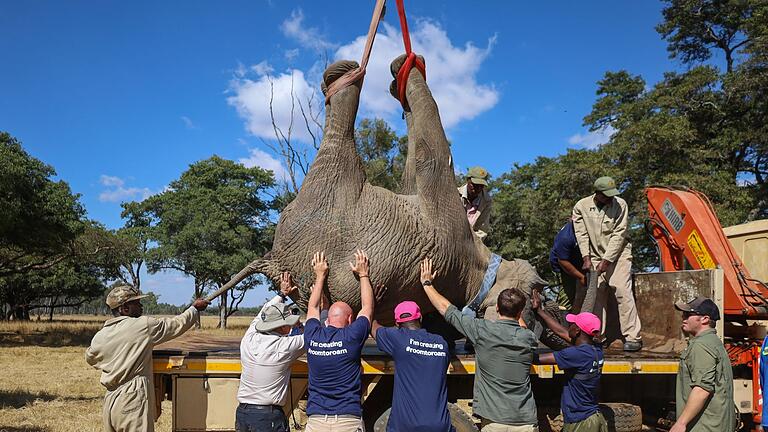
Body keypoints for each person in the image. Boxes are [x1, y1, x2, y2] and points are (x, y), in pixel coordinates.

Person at [420, 258, 538, 431]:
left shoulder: (482, 331)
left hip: (493, 421)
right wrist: (516, 307)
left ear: (496, 308)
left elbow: (447, 309)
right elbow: (522, 327)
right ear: (520, 312)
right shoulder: (528, 338)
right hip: (525, 420)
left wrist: (427, 283)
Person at [86, 284, 209, 432]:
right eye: (136, 303)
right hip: (132, 397)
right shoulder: (142, 326)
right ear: (125, 308)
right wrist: (194, 309)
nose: (141, 306)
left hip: (111, 399)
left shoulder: (100, 336)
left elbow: (90, 357)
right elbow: (176, 325)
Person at [303, 250, 374, 432]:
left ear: (327, 320)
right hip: (348, 421)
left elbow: (312, 307)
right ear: (350, 320)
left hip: (316, 420)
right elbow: (367, 306)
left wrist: (320, 276)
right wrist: (364, 274)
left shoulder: (313, 336)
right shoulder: (352, 337)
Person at [572, 176, 642, 352]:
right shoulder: (581, 206)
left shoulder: (620, 204)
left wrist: (607, 260)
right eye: (606, 195)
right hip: (594, 255)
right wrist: (586, 258)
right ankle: (597, 336)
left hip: (619, 255)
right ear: (597, 193)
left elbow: (619, 234)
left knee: (621, 290)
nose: (611, 198)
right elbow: (581, 234)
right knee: (597, 293)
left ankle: (633, 336)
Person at [236, 272, 305, 432]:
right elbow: (314, 334)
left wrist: (281, 294)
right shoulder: (284, 347)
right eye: (289, 323)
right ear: (281, 327)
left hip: (243, 413)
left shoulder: (249, 338)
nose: (292, 325)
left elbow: (262, 314)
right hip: (268, 417)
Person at [371, 300, 454, 432]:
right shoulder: (441, 343)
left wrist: (375, 306)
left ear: (397, 324)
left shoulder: (398, 339)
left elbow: (372, 326)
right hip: (439, 425)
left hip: (404, 426)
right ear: (420, 317)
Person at [531, 291, 608, 432]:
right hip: (593, 417)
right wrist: (540, 311)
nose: (568, 325)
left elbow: (536, 359)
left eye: (572, 324)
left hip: (581, 423)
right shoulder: (596, 349)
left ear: (577, 330)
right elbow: (561, 332)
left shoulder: (575, 354)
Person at [671, 297, 735, 432]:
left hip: (705, 427)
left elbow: (702, 389)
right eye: (683, 314)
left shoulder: (702, 345)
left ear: (705, 319)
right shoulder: (713, 342)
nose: (683, 317)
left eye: (688, 314)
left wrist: (681, 423)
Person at [549, 219, 586, 311]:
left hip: (581, 262)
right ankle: (564, 320)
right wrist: (581, 277)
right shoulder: (566, 237)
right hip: (564, 267)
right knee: (568, 296)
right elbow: (563, 261)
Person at [458, 166, 493, 239]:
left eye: (481, 186)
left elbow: (482, 230)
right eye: (475, 185)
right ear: (468, 180)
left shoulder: (487, 201)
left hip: (471, 242)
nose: (478, 189)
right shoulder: (455, 194)